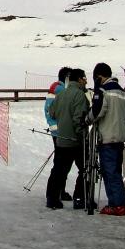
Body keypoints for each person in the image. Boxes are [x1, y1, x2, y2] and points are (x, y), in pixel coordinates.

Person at [46, 68, 89, 210]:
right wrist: (82, 137)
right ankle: (80, 199)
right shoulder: (80, 95)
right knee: (85, 169)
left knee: (59, 170)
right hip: (76, 141)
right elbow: (79, 120)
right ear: (79, 79)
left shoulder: (61, 93)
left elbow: (51, 112)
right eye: (84, 78)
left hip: (61, 139)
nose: (86, 81)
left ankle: (52, 198)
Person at [90, 62, 125, 216]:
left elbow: (98, 111)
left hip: (107, 137)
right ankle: (117, 202)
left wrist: (86, 119)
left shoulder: (103, 90)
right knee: (116, 172)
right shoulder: (122, 91)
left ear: (99, 76)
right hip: (119, 136)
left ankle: (117, 204)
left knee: (109, 172)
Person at [44, 67, 73, 202]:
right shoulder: (61, 90)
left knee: (62, 162)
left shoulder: (56, 88)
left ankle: (58, 191)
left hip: (58, 130)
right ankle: (55, 192)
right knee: (62, 163)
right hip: (61, 132)